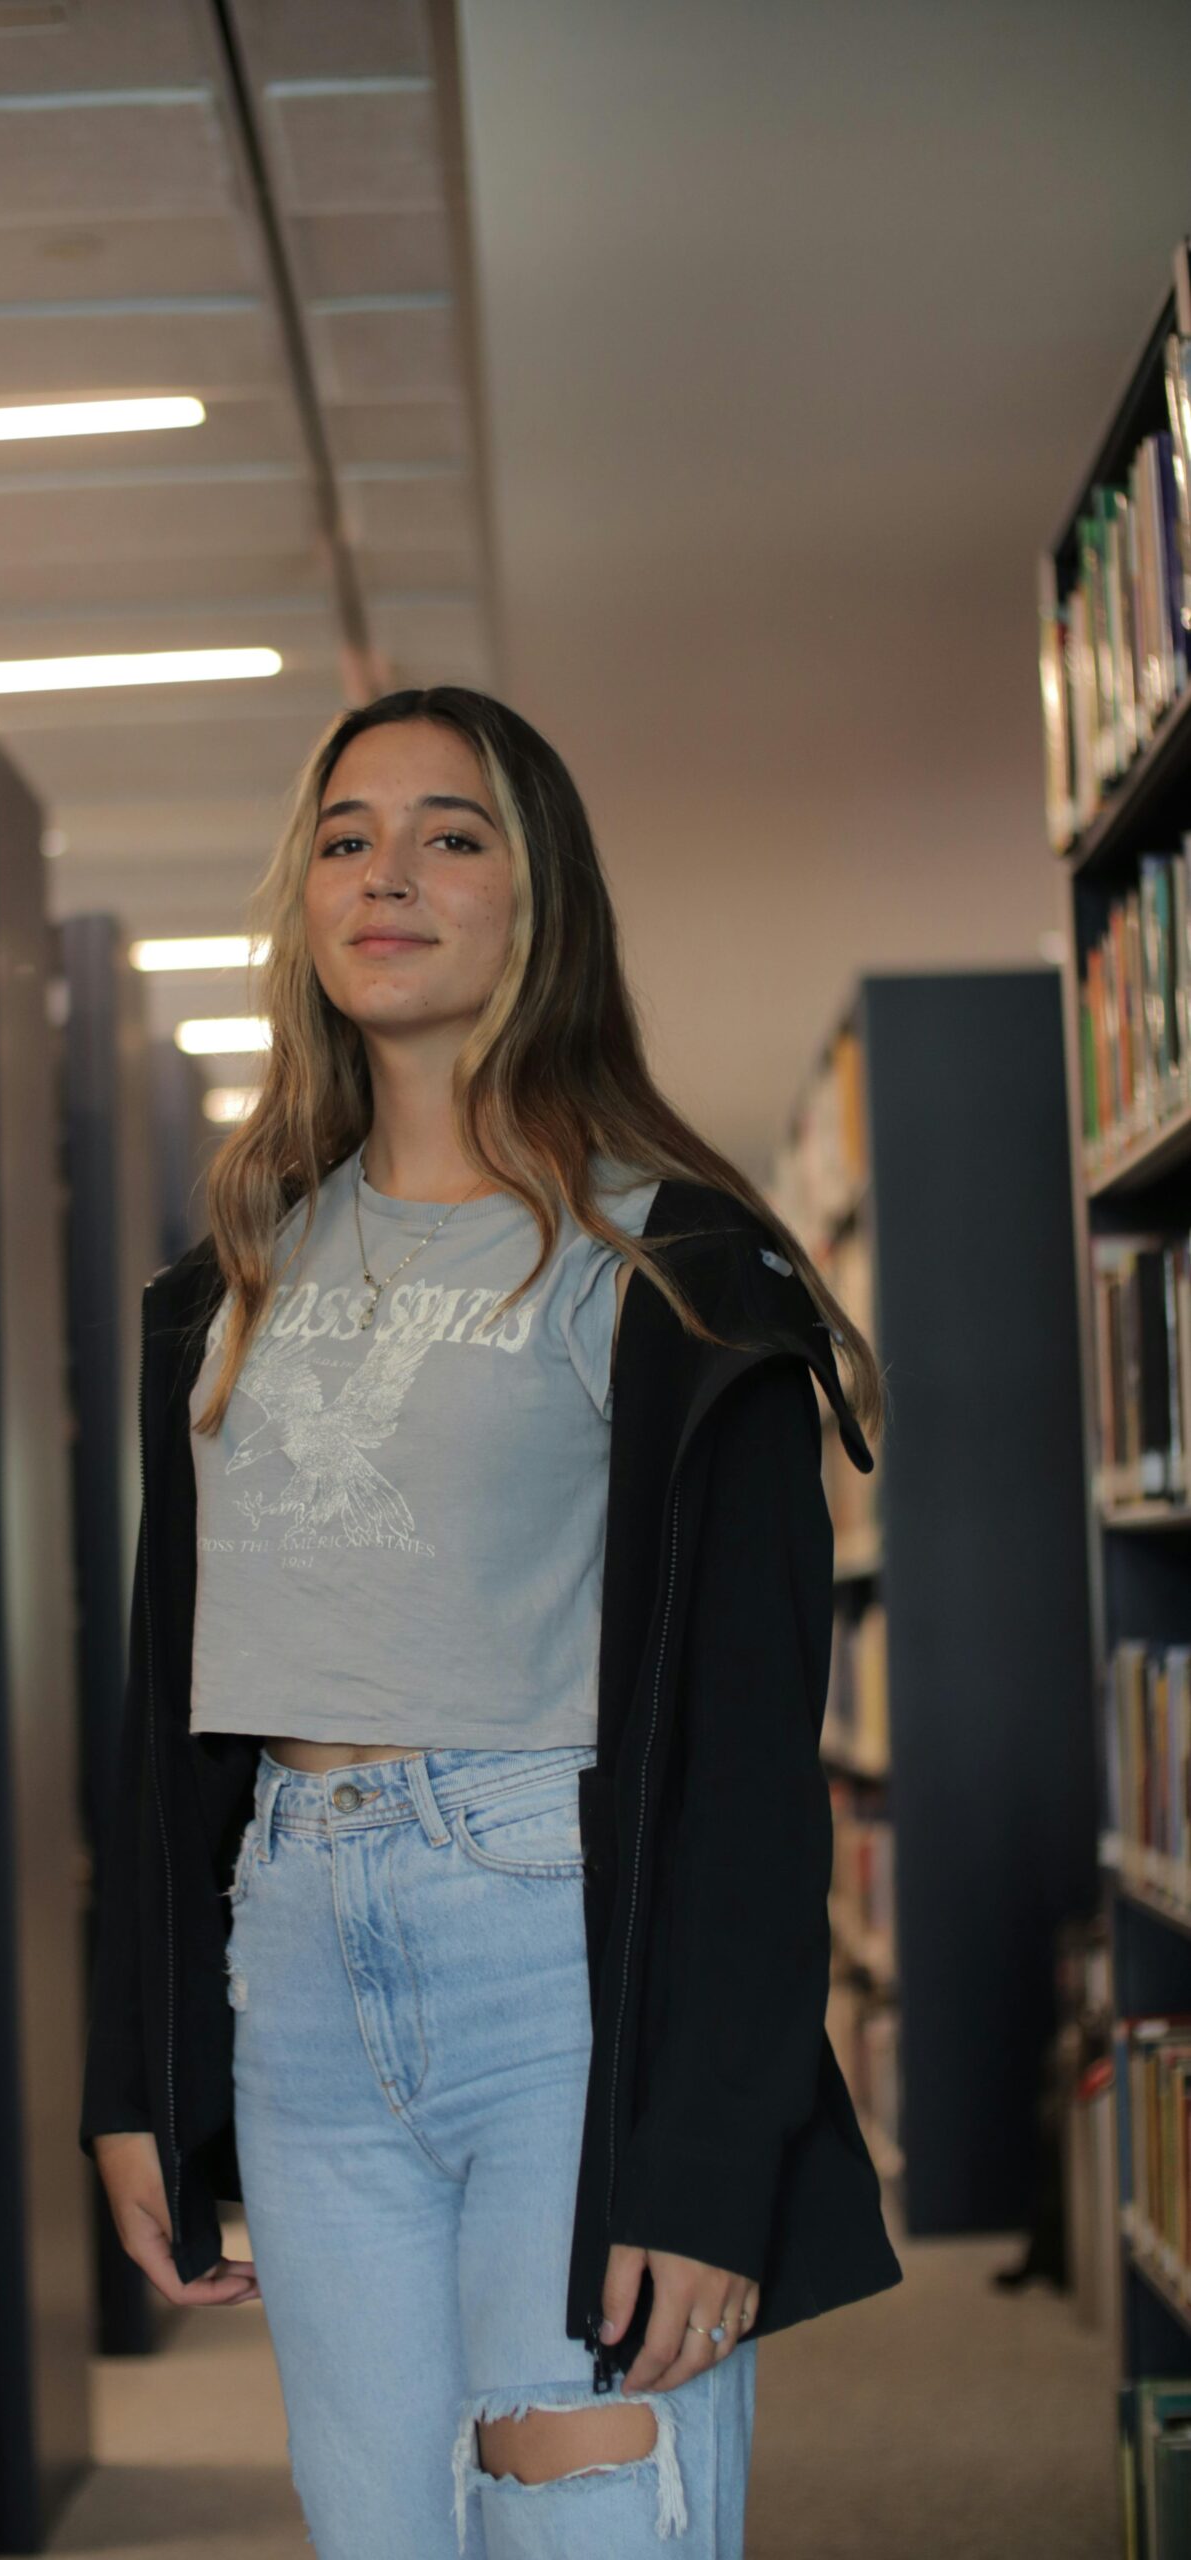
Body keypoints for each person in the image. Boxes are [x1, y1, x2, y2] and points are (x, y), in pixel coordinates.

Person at [80, 685, 903, 2558]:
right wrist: (135, 2070)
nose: (391, 874)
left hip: (560, 1967)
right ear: (303, 901)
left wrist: (707, 2160)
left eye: (453, 834)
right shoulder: (223, 1282)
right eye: (348, 837)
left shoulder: (676, 1269)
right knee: (384, 2538)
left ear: (542, 903)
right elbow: (162, 1716)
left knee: (586, 2529)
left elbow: (759, 1761)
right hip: (294, 1971)